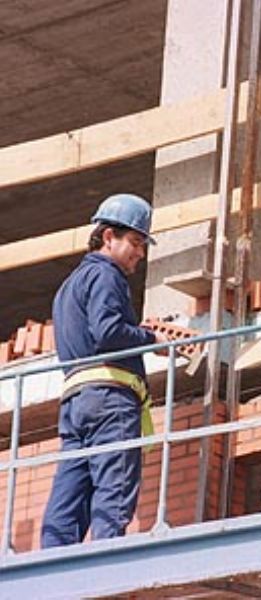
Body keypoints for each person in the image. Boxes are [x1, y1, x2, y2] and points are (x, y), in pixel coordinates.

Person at [41, 193, 168, 547]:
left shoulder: (68, 287)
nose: (140, 254)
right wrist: (150, 337)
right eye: (136, 243)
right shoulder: (106, 275)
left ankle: (52, 565)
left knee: (69, 495)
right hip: (111, 401)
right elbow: (109, 332)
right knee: (113, 491)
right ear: (108, 236)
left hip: (76, 404)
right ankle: (105, 566)